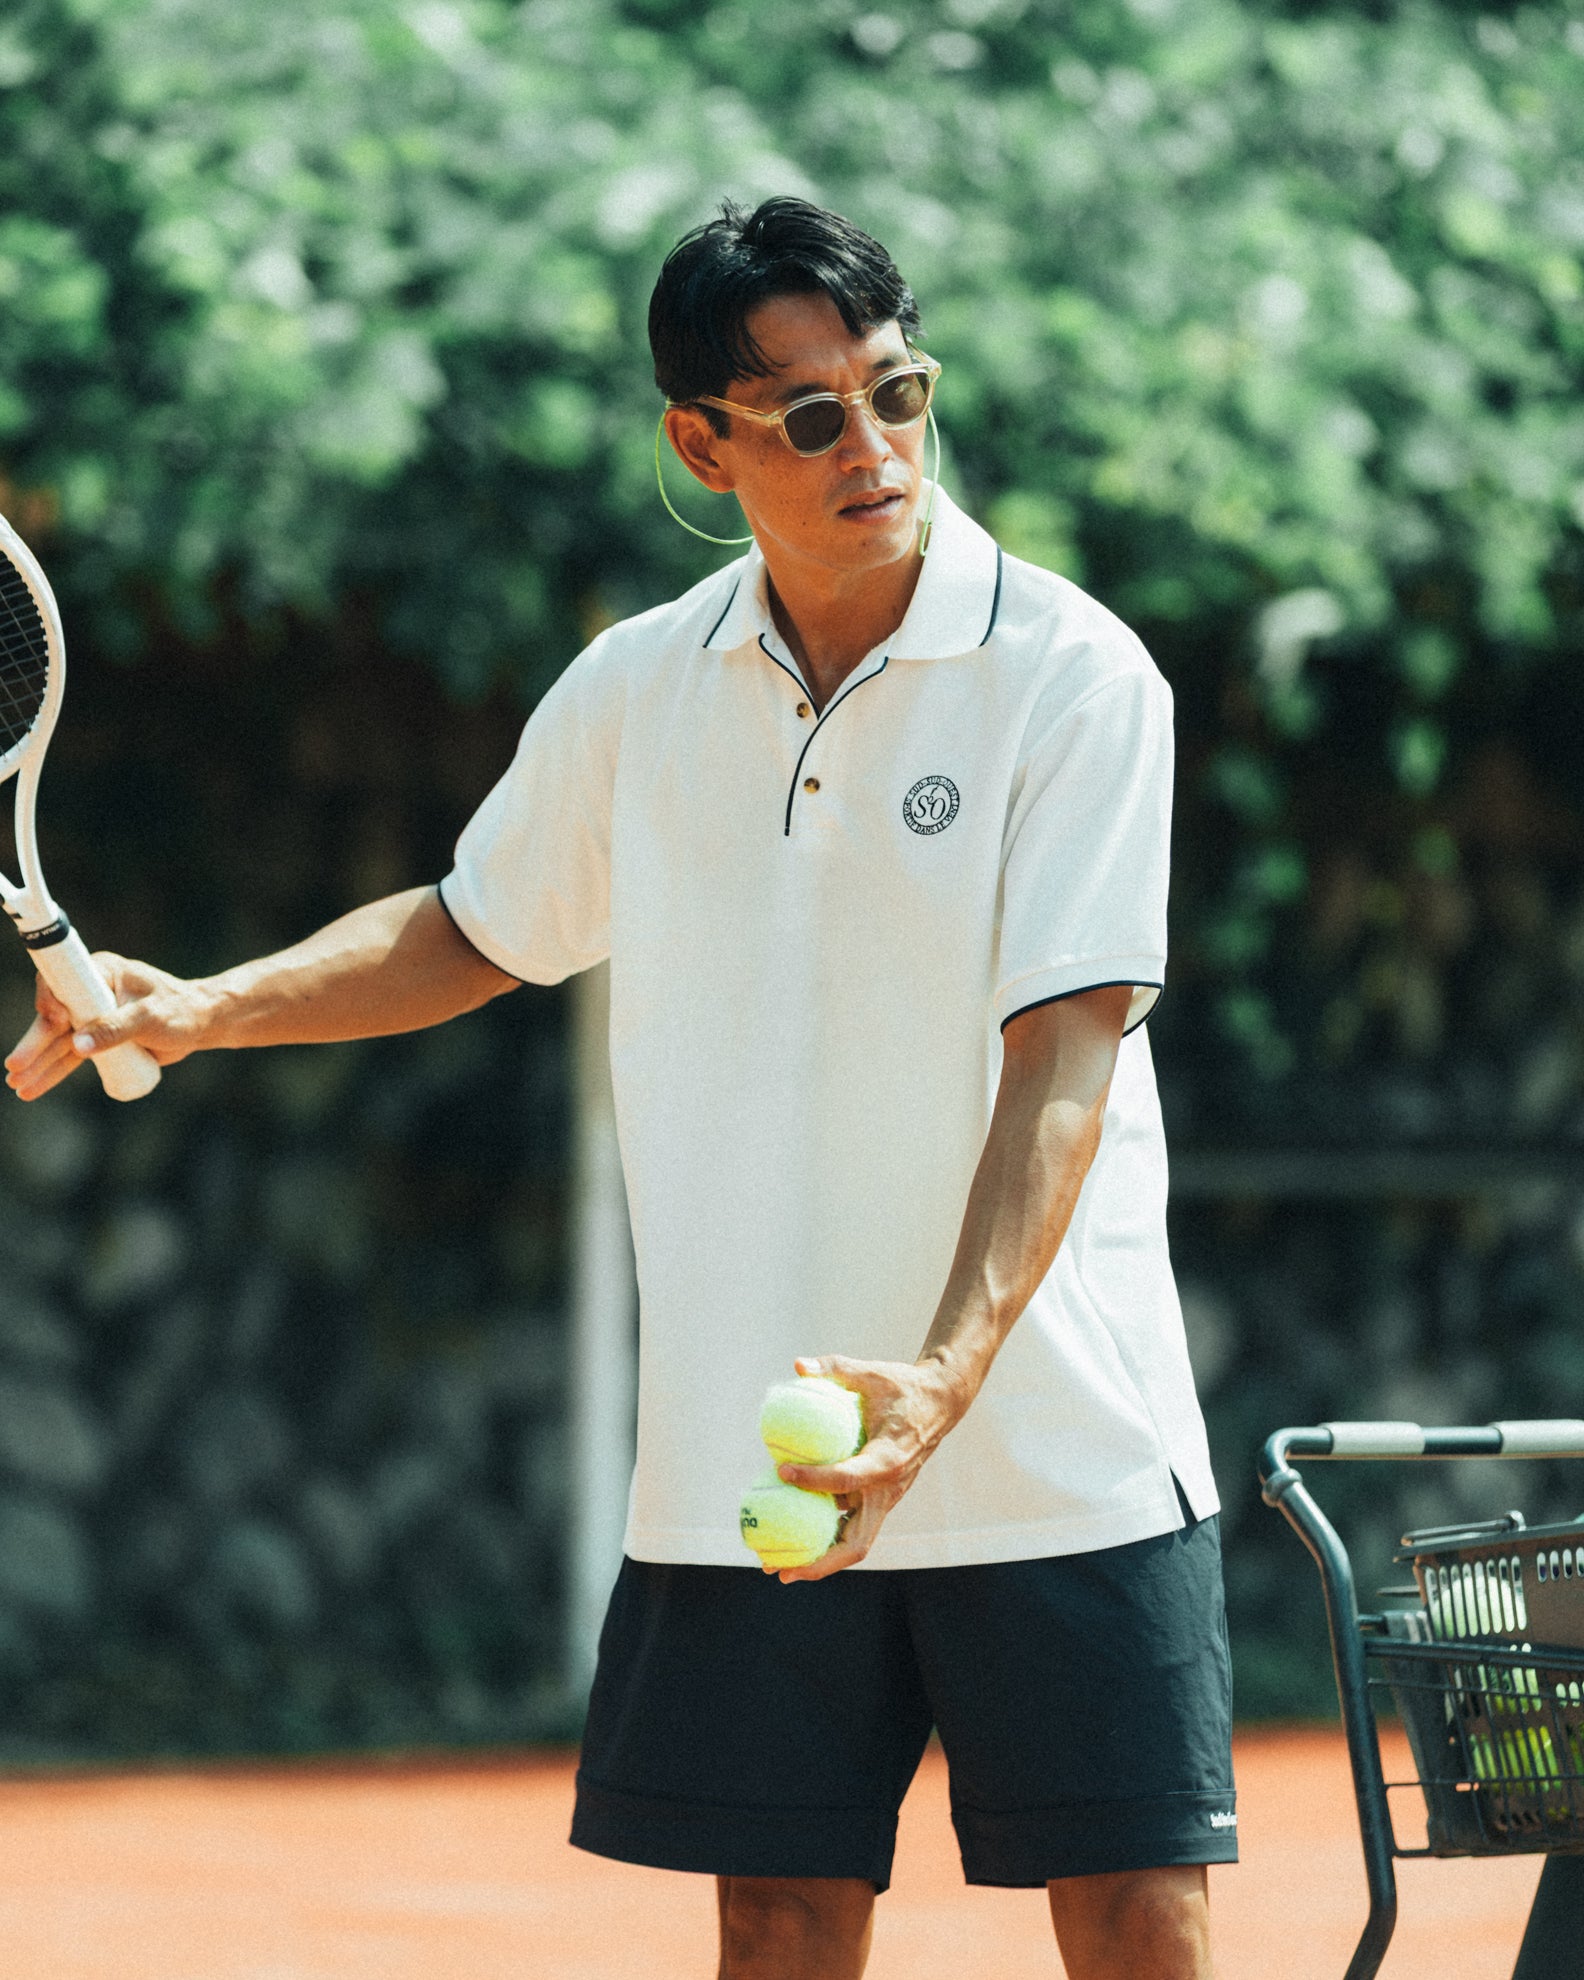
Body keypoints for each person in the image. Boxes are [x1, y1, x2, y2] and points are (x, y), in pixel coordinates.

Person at [5, 197, 1234, 1979]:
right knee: (779, 1920)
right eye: (808, 415)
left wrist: (943, 1380)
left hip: (1057, 1441)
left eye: (897, 392)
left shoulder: (1076, 677)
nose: (872, 446)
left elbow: (1065, 1055)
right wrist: (205, 1006)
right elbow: (472, 925)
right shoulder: (637, 685)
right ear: (703, 444)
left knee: (1134, 1915)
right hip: (757, 1441)